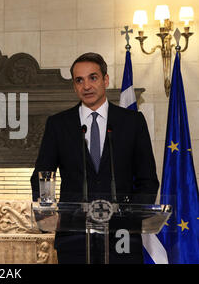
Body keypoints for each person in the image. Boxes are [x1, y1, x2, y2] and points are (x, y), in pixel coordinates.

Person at [31, 52, 159, 264]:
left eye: (93, 77)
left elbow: (148, 180)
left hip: (122, 234)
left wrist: (131, 218)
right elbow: (42, 175)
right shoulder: (59, 124)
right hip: (74, 236)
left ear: (105, 80)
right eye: (79, 80)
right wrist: (47, 212)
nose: (86, 86)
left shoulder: (132, 122)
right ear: (74, 86)